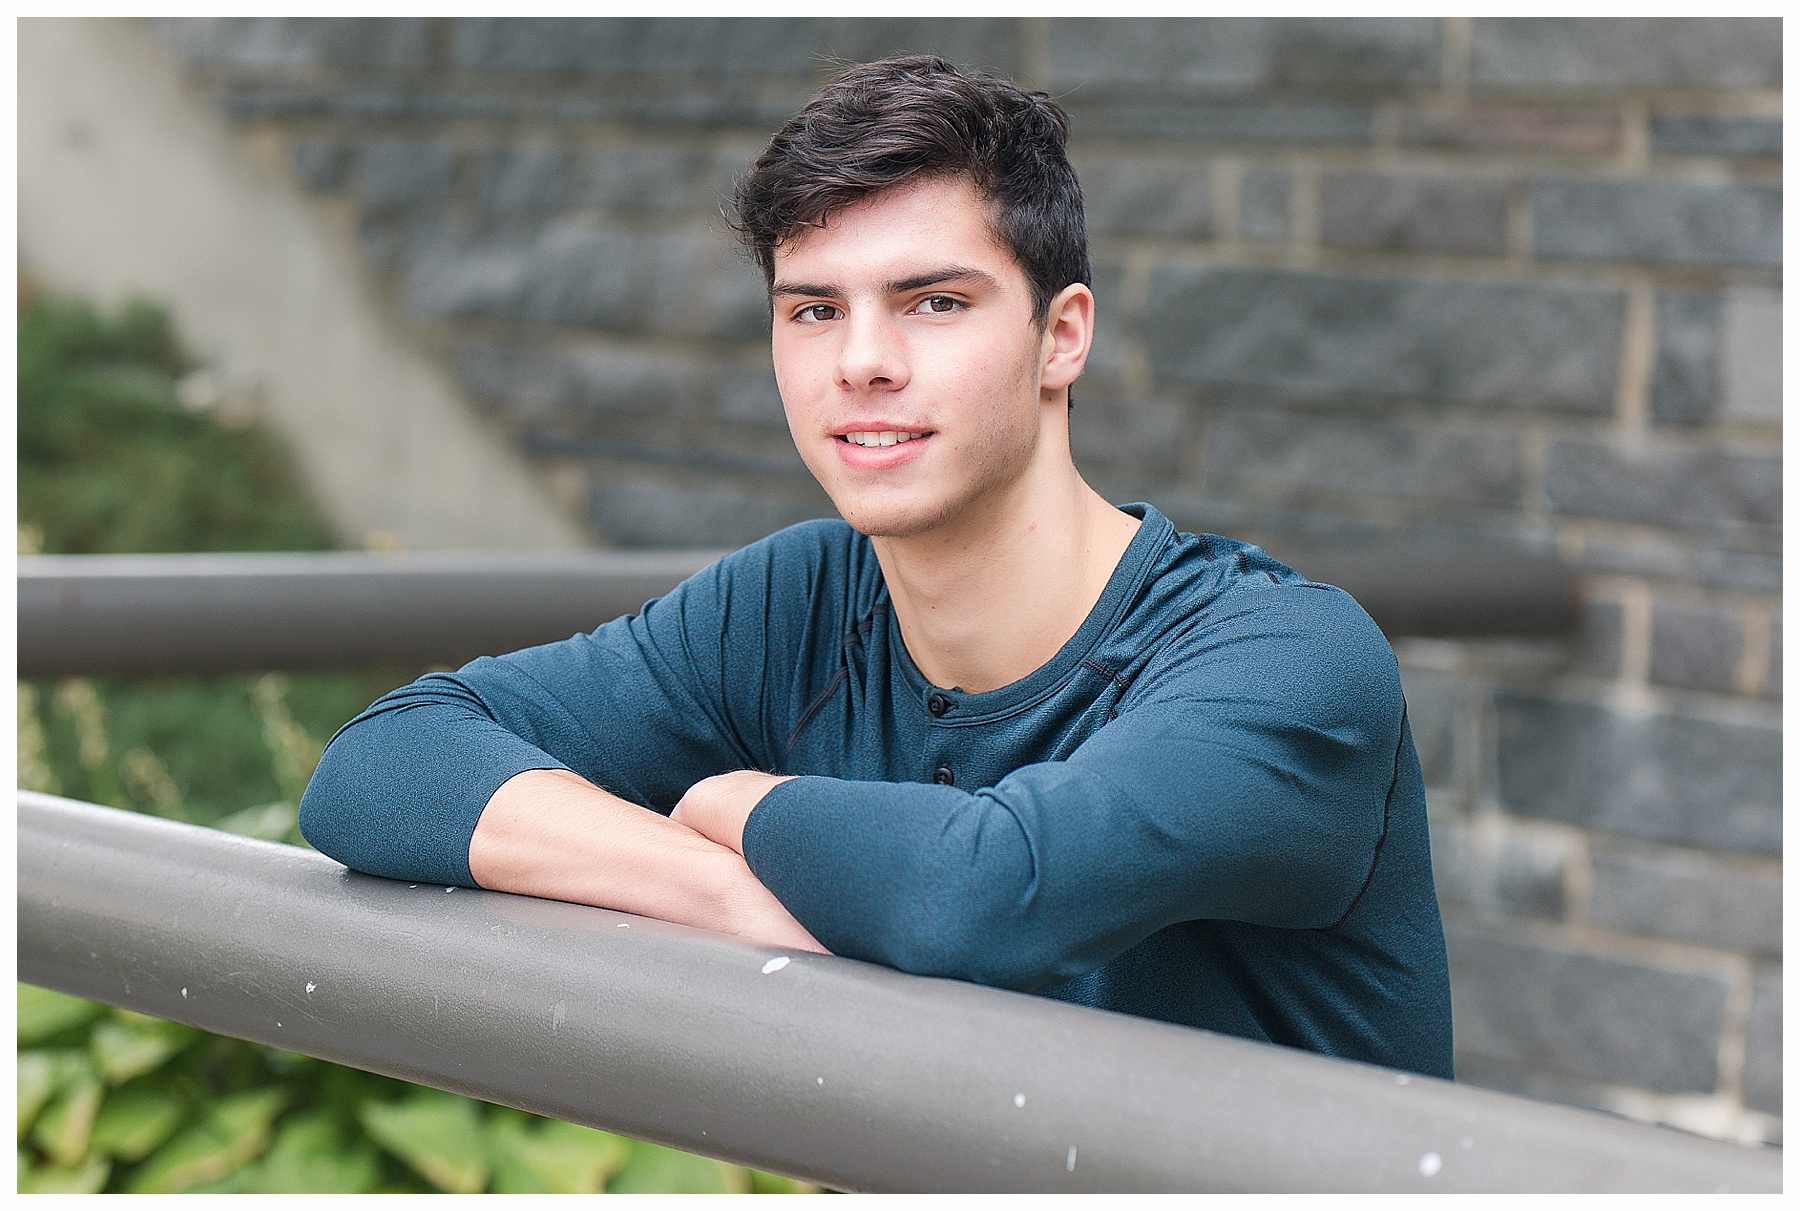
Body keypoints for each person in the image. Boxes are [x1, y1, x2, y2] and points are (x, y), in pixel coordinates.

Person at [298, 55, 1453, 1079]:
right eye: (813, 310)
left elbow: (981, 897)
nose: (862, 361)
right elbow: (383, 763)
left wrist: (738, 801)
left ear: (1064, 335)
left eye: (934, 302)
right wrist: (716, 887)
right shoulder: (796, 605)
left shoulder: (1287, 656)